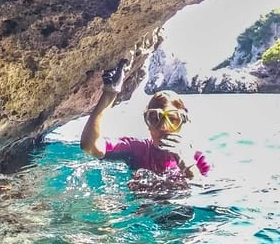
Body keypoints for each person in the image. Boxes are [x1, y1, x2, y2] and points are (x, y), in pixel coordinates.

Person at [80, 58, 210, 181]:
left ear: (183, 122)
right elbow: (90, 146)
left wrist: (184, 160)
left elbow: (206, 192)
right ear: (147, 123)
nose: (163, 127)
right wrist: (110, 93)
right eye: (154, 119)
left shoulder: (197, 158)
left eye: (172, 119)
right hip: (142, 205)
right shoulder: (137, 150)